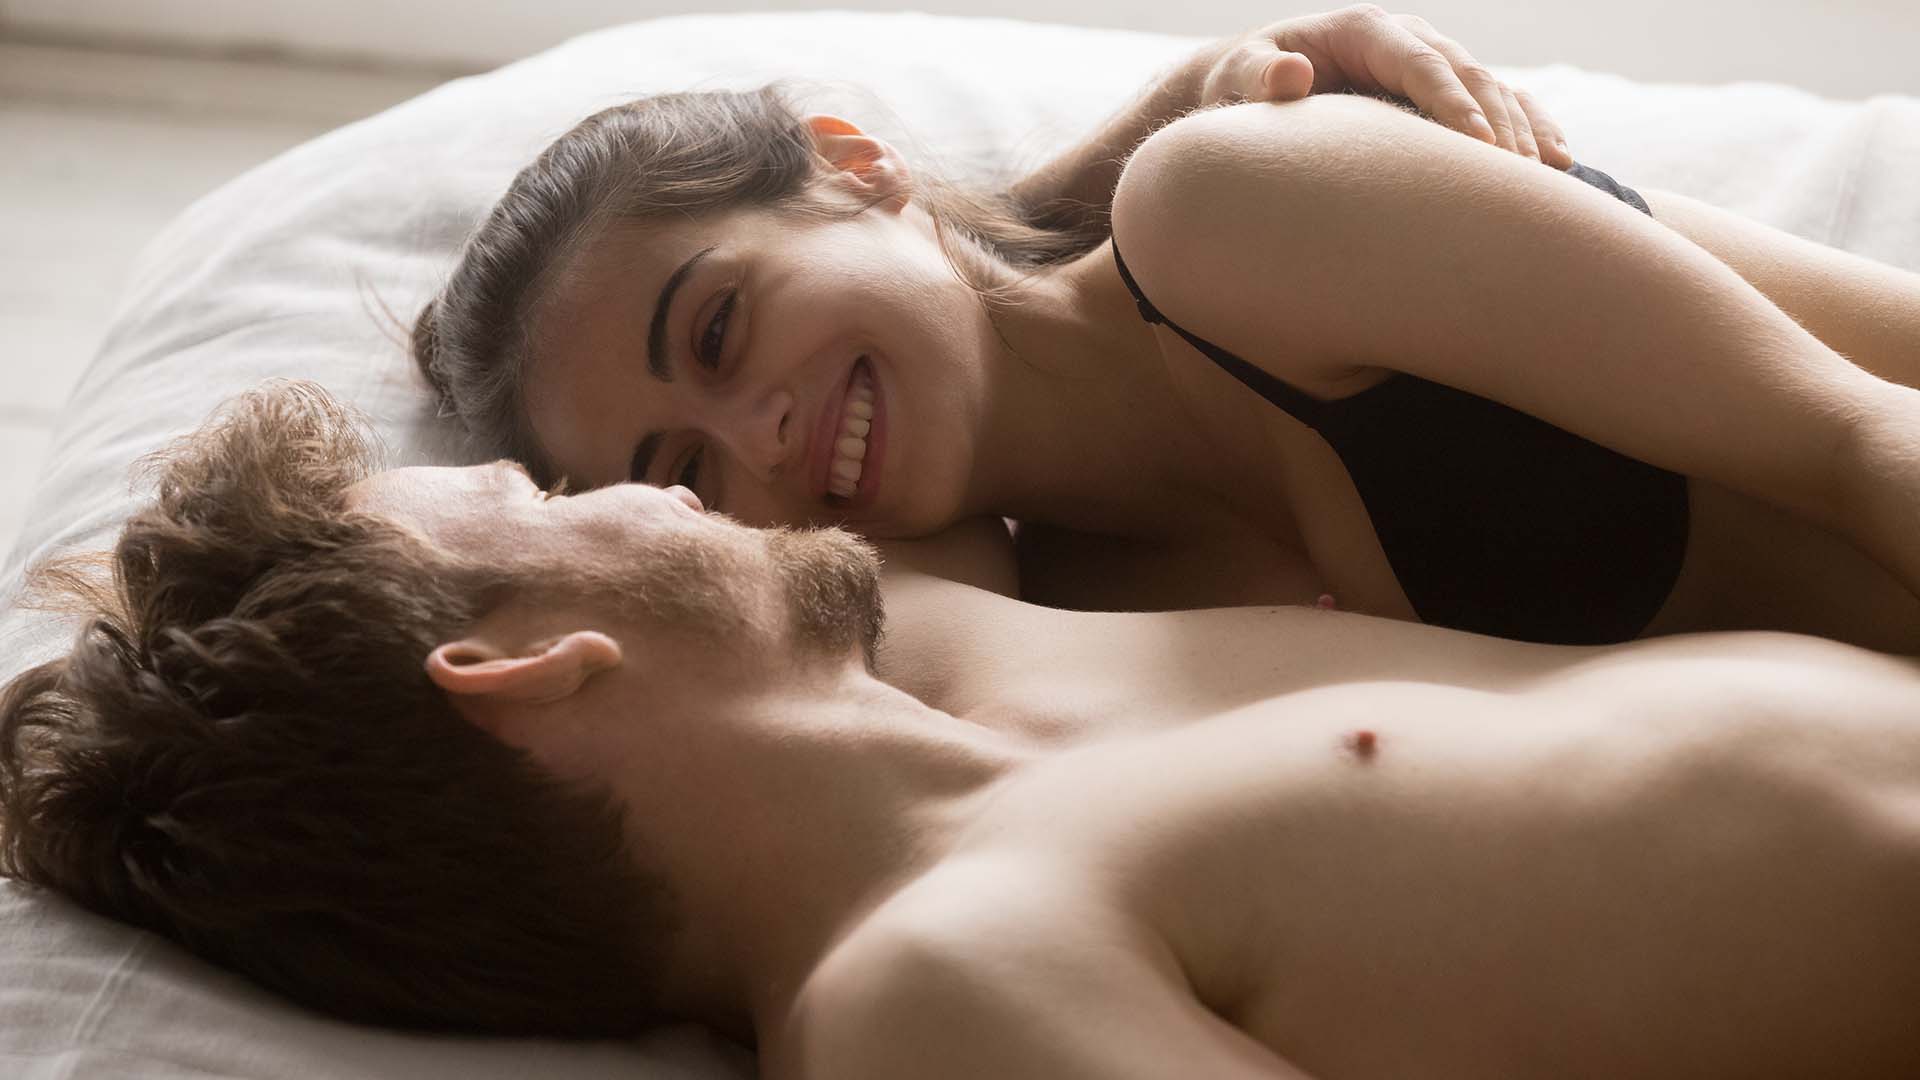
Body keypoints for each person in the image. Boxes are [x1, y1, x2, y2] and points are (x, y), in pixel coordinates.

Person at [5, 381, 1917, 1077]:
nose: (656, 492)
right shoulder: (932, 985)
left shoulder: (963, 686)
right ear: (521, 663)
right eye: (537, 493)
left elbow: (951, 342)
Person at [412, 15, 1920, 653]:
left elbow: (1872, 448)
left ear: (854, 165)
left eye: (725, 329)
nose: (761, 444)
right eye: (684, 472)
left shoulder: (1230, 208)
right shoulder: (1067, 619)